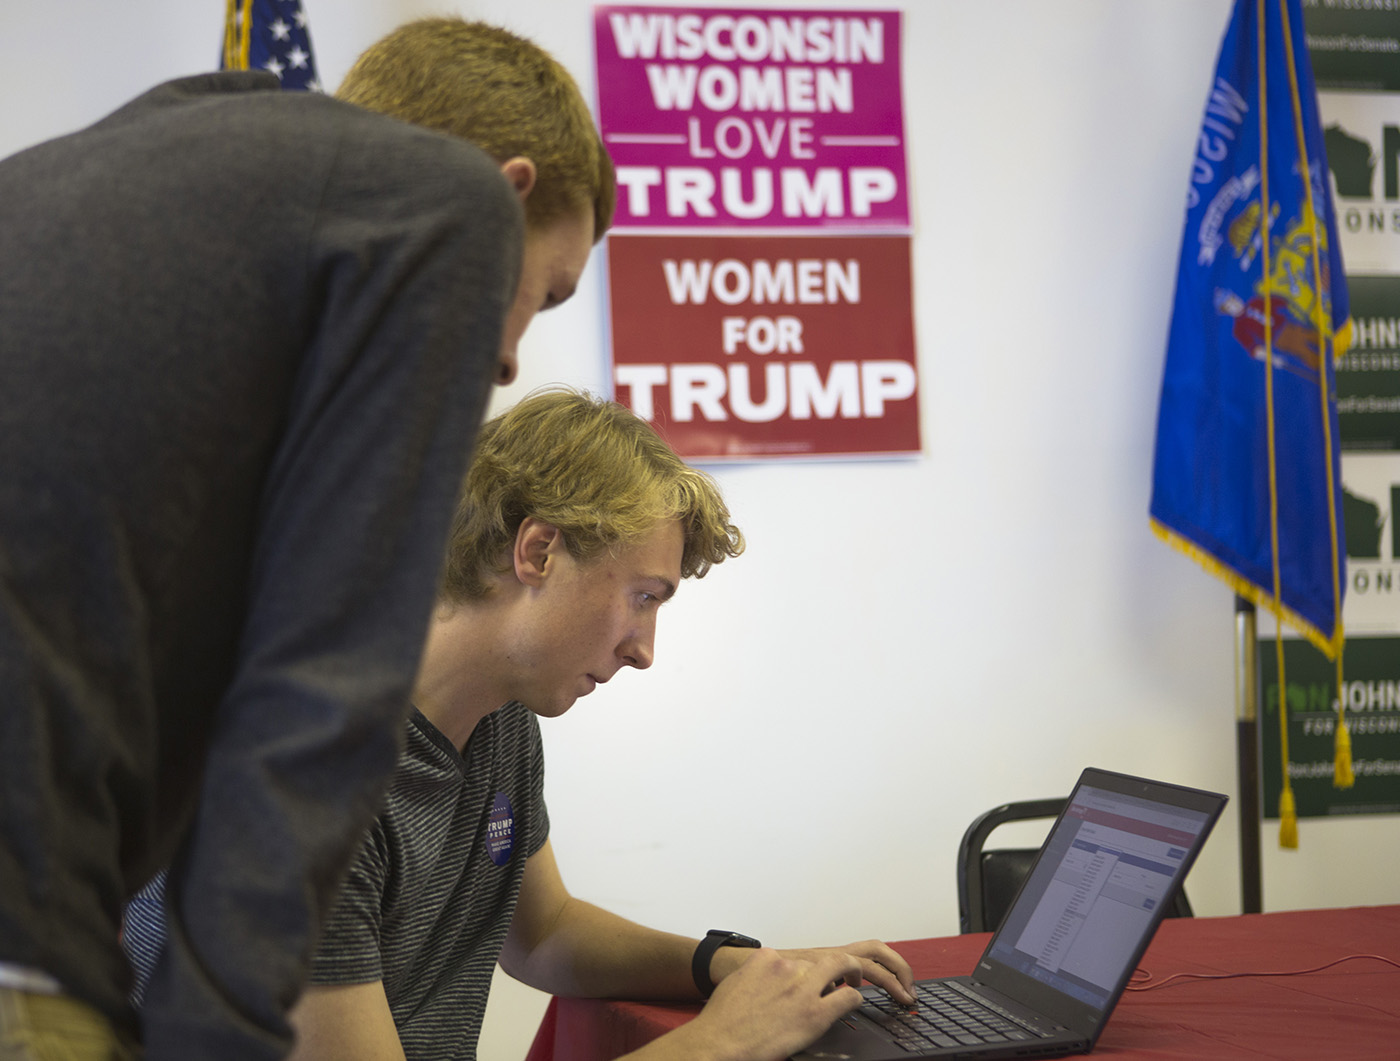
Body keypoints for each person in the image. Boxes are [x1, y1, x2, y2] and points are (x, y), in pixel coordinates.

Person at [0, 17, 610, 1061]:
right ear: (503, 192)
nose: (508, 360)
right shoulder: (449, 207)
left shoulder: (97, 170)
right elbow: (323, 678)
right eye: (541, 294)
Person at [125, 388, 916, 1061]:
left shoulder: (498, 717)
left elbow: (544, 934)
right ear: (538, 550)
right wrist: (718, 1041)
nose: (643, 650)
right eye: (642, 596)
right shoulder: (301, 778)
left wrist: (736, 967)